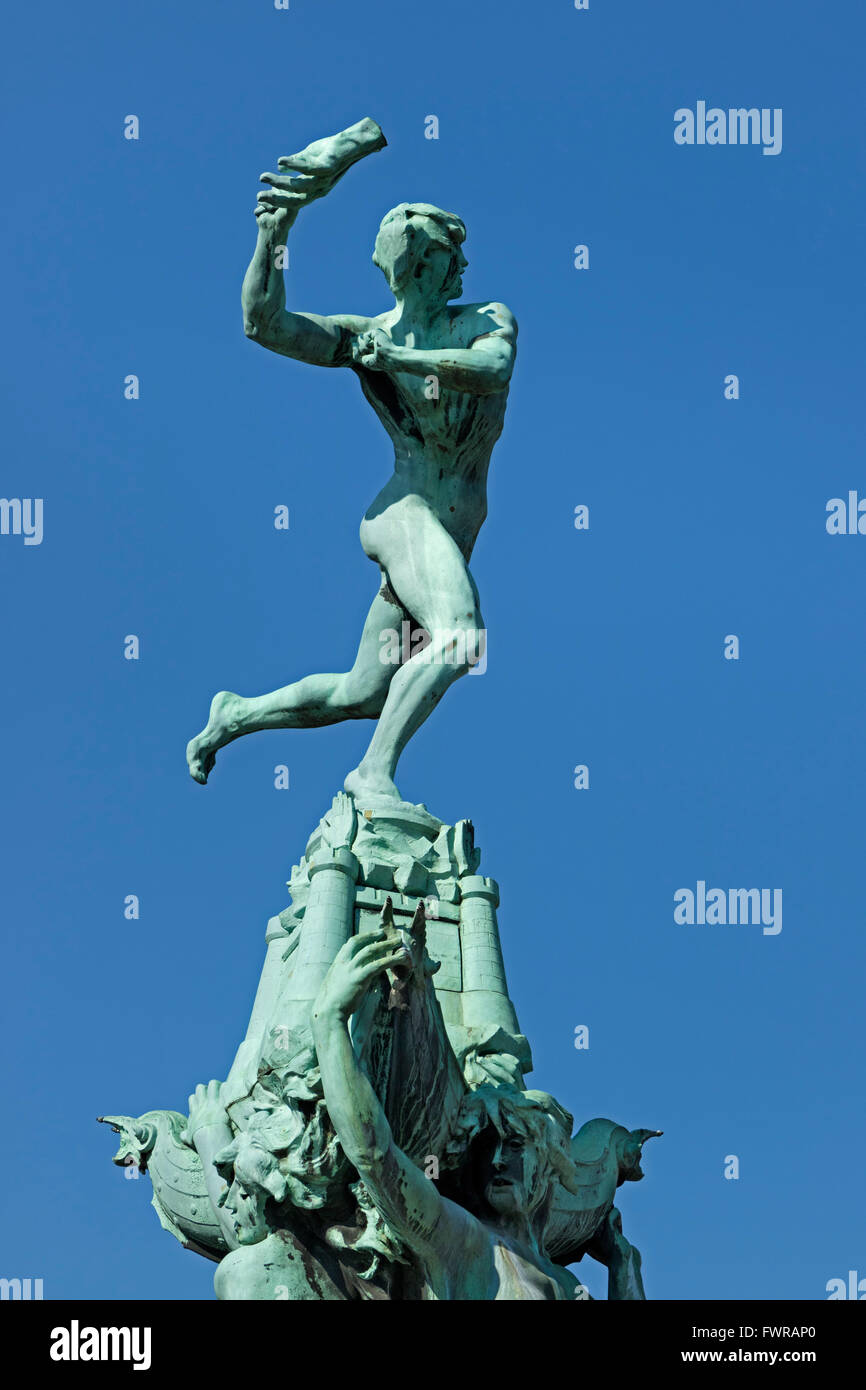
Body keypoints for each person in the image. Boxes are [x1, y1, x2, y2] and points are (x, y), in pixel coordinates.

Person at [186, 120, 516, 804]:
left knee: (364, 691)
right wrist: (274, 231)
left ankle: (235, 713)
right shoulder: (362, 339)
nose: (462, 268)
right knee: (459, 639)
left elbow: (491, 369)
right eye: (451, 256)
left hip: (449, 533)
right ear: (420, 265)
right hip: (405, 515)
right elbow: (265, 325)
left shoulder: (481, 320)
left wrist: (401, 359)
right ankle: (373, 775)